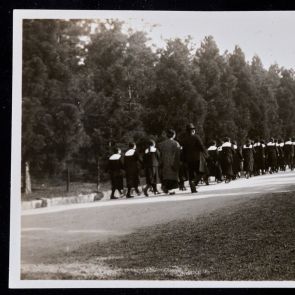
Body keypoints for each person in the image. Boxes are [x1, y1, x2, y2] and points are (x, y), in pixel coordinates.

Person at [181, 123, 207, 193]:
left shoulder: (184, 140)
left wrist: (183, 160)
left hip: (188, 159)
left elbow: (183, 151)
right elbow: (201, 146)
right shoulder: (196, 137)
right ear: (193, 130)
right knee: (201, 172)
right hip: (197, 158)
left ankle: (193, 189)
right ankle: (194, 183)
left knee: (191, 174)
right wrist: (206, 154)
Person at [158, 129, 181, 195]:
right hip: (173, 162)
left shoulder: (162, 144)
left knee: (166, 176)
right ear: (173, 135)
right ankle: (171, 189)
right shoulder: (175, 143)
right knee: (173, 176)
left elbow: (160, 153)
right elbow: (178, 153)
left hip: (164, 162)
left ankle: (166, 188)